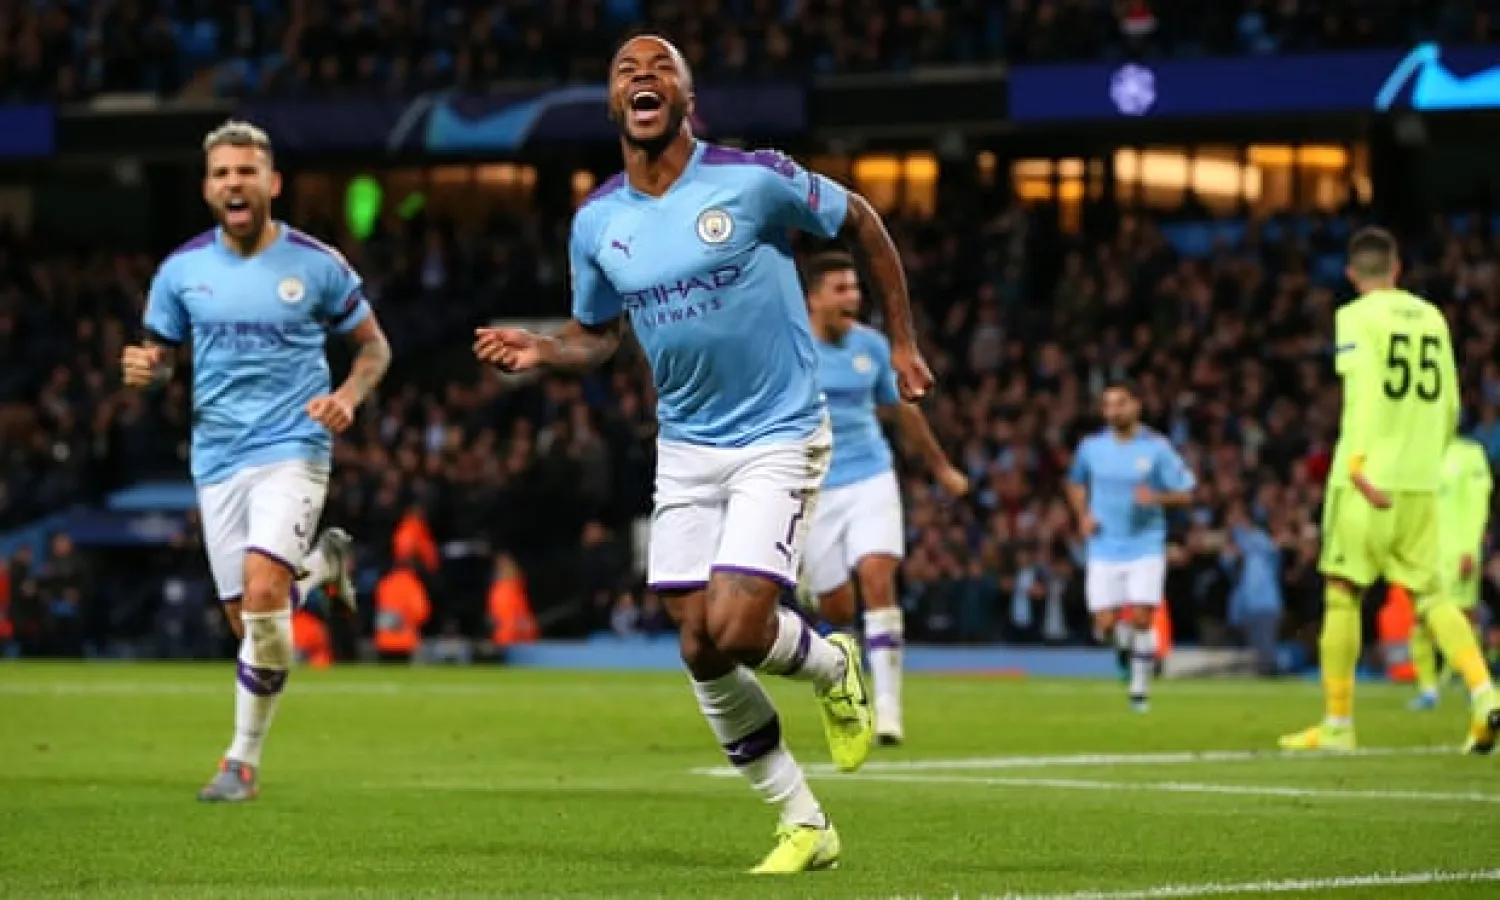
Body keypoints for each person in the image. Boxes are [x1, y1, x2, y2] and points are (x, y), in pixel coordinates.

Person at [473, 35, 932, 874]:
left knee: (741, 623)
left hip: (779, 433)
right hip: (686, 446)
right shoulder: (598, 222)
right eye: (625, 70)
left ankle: (834, 666)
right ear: (614, 106)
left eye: (661, 68)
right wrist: (542, 350)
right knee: (698, 645)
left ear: (688, 97)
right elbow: (597, 335)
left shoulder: (751, 180)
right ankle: (804, 822)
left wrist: (900, 342)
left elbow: (860, 219)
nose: (642, 77)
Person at [121, 121, 390, 801]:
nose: (234, 183)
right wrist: (147, 370)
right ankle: (323, 565)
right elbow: (159, 355)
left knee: (266, 596)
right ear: (208, 190)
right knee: (255, 630)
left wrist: (349, 396)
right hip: (216, 459)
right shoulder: (181, 272)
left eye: (246, 171)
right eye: (221, 174)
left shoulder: (317, 263)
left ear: (271, 184)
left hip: (292, 447)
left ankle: (240, 763)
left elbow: (374, 349)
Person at [1278, 227, 1499, 754]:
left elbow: (1365, 393)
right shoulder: (1433, 317)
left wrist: (1358, 463)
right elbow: (1448, 404)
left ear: (1353, 274)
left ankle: (1337, 725)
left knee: (1343, 593)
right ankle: (1485, 693)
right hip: (1422, 479)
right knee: (1433, 596)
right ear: (1397, 269)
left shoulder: (1355, 317)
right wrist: (1426, 460)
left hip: (1367, 477)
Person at [795, 250, 969, 746]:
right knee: (836, 607)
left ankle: (890, 710)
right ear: (813, 299)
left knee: (877, 575)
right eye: (841, 289)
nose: (854, 297)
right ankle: (849, 690)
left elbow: (904, 413)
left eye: (855, 288)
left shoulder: (871, 347)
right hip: (815, 488)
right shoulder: (790, 349)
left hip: (871, 476)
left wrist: (940, 468)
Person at [1066, 380, 1196, 713]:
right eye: (1107, 405)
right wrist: (1083, 516)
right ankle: (1125, 648)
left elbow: (1186, 492)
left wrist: (1155, 498)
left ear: (1136, 406)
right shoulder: (1091, 448)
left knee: (1141, 617)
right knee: (1105, 626)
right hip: (1104, 544)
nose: (1113, 411)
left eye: (1120, 403)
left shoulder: (1157, 448)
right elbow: (1075, 483)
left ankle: (1139, 691)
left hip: (1145, 544)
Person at [1409, 434, 1493, 710]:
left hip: (1458, 553)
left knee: (1464, 620)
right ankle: (1428, 690)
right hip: (1425, 552)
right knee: (1420, 621)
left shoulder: (1470, 454)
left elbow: (1478, 504)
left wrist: (1470, 547)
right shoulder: (1419, 453)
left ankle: (1475, 684)